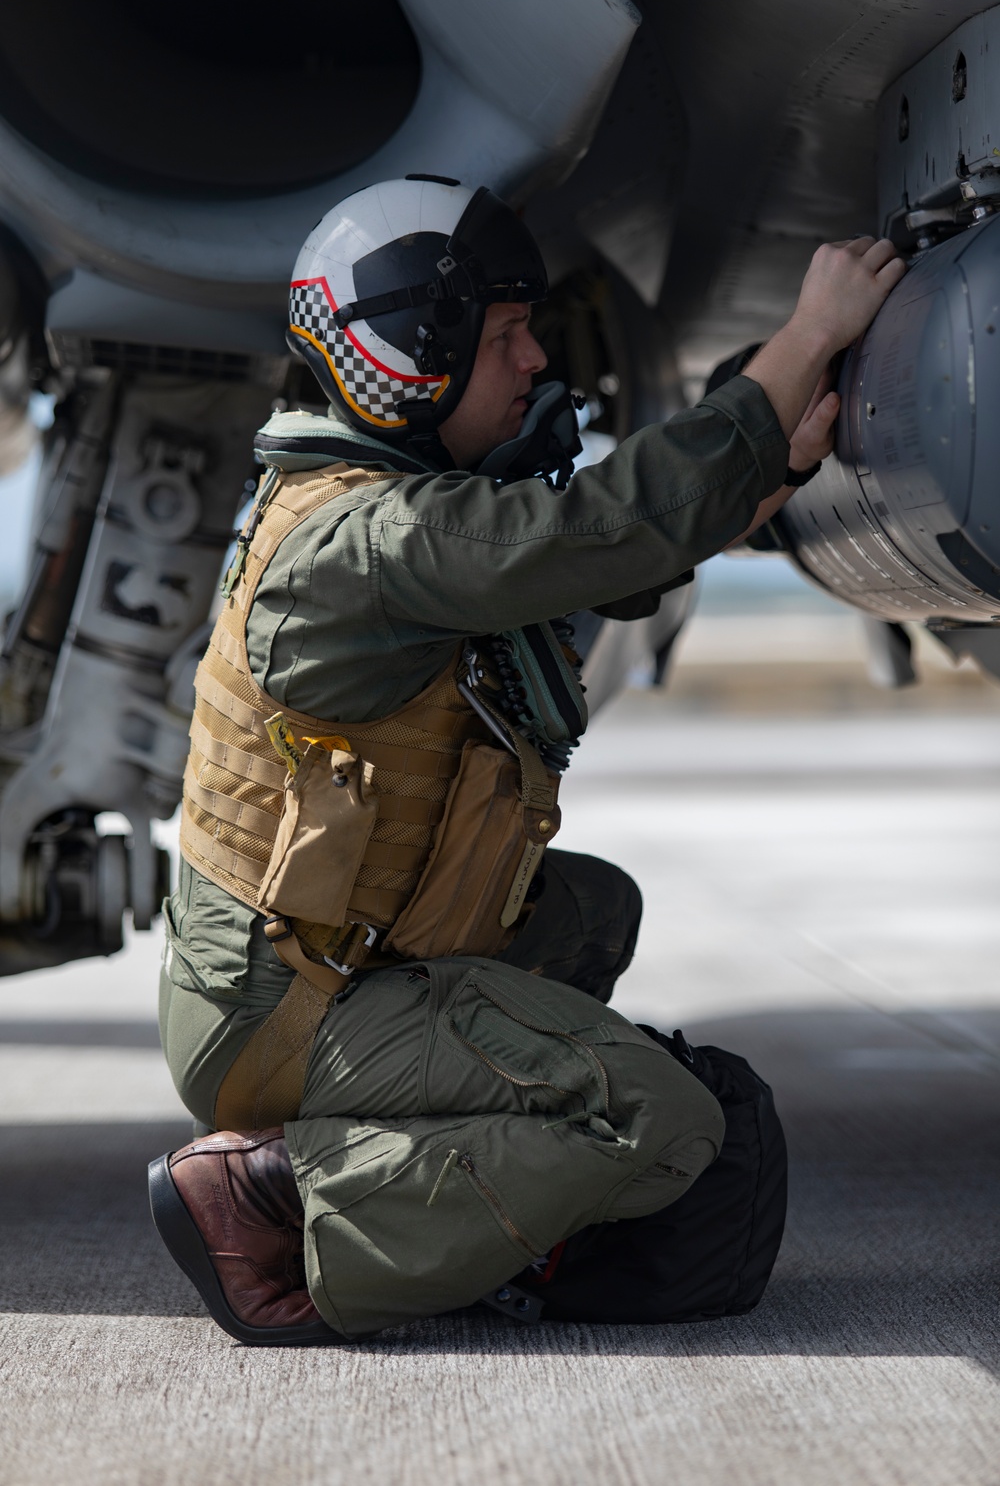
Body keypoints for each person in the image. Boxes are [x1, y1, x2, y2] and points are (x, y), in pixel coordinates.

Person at [149, 175, 904, 1344]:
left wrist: (763, 480)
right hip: (284, 1012)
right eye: (504, 338)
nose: (536, 361)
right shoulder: (366, 539)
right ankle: (272, 1198)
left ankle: (463, 1149)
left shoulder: (381, 512)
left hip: (332, 964)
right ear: (415, 354)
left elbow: (565, 568)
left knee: (591, 913)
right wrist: (808, 336)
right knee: (660, 1122)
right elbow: (577, 537)